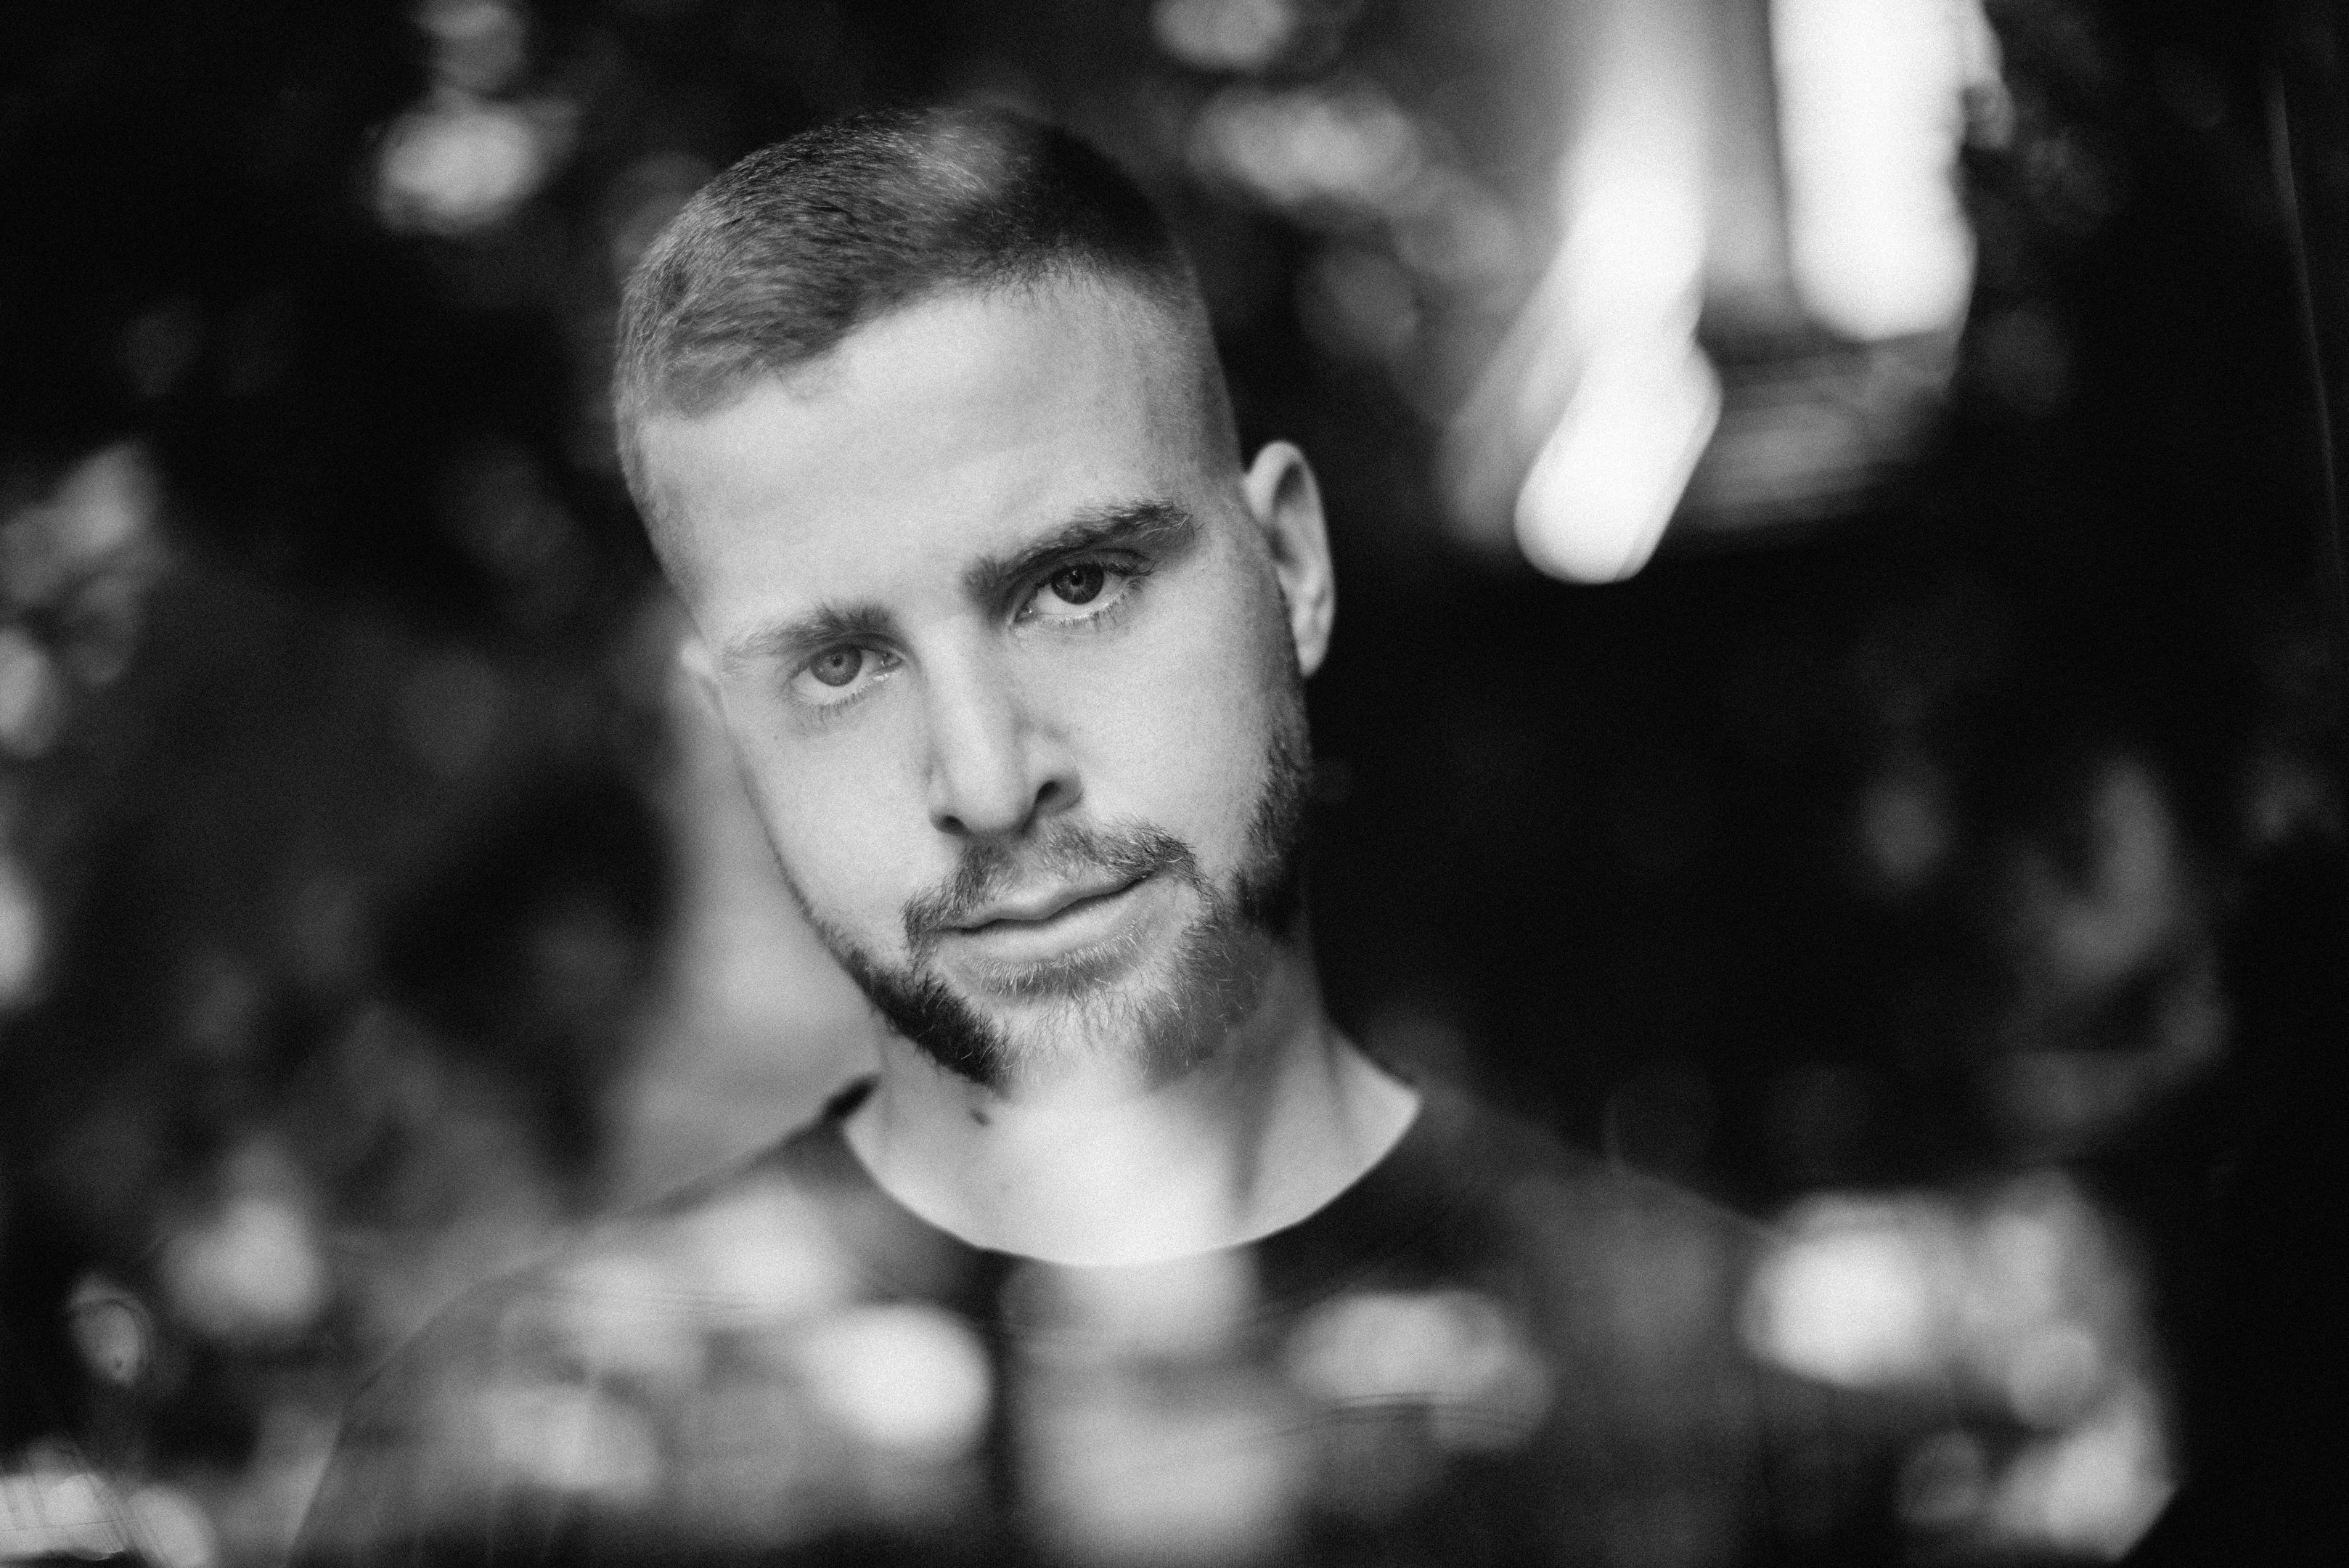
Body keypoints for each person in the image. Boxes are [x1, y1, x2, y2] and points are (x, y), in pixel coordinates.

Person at [295, 106, 1899, 1568]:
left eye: (1077, 587)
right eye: (839, 667)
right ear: (732, 735)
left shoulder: (1718, 1413)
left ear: (1290, 571)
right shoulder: (518, 1479)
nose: (989, 782)